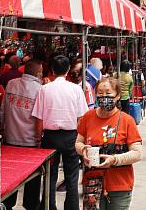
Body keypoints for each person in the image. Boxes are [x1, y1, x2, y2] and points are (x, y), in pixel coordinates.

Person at [75, 77, 143, 210]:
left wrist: (115, 159)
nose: (104, 97)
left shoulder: (127, 120)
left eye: (108, 93)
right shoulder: (88, 117)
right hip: (91, 183)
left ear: (118, 96)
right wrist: (83, 149)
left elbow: (137, 153)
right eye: (100, 93)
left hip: (119, 185)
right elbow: (78, 142)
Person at [32, 54, 88, 210]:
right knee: (72, 176)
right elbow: (81, 118)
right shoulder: (76, 89)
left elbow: (39, 118)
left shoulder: (44, 89)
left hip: (50, 137)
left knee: (50, 175)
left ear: (51, 69)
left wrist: (38, 138)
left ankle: (48, 206)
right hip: (71, 136)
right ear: (68, 69)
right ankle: (71, 207)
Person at [1, 60, 44, 210]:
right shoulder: (40, 89)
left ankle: (7, 203)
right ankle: (31, 205)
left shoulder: (11, 84)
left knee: (9, 176)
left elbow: (2, 110)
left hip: (11, 138)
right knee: (32, 178)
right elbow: (40, 117)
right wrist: (39, 138)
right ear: (38, 73)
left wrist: (2, 128)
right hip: (31, 141)